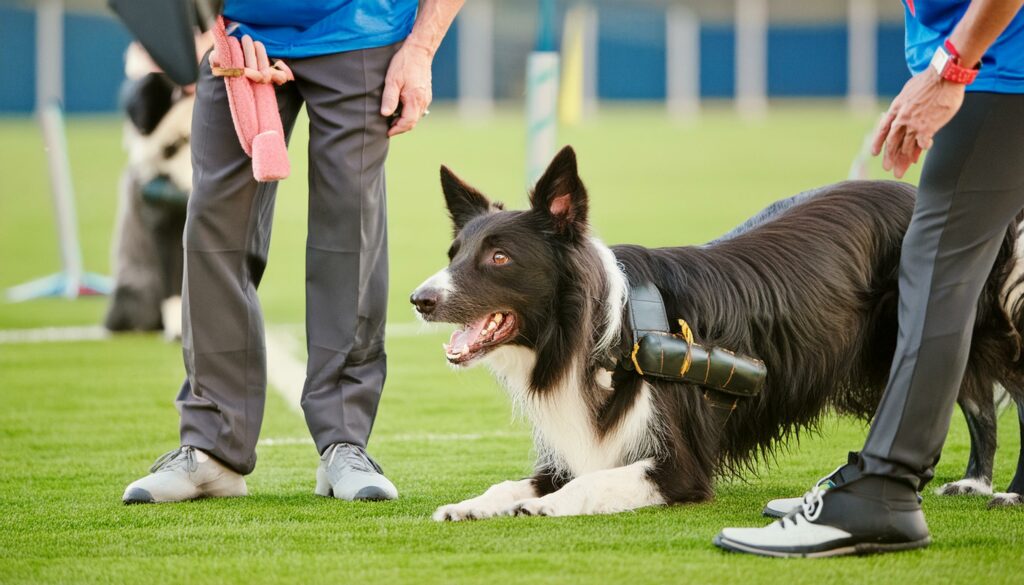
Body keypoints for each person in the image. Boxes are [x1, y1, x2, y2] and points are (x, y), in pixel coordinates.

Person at [714, 0, 1024, 557]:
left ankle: (881, 490)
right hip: (988, 69)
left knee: (935, 278)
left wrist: (950, 68)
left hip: (1000, 72)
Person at [123, 0, 464, 504]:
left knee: (350, 228)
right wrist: (190, 31)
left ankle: (345, 441)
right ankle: (211, 447)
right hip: (240, 32)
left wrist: (419, 47)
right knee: (214, 228)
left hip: (362, 30)